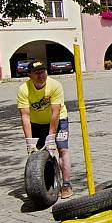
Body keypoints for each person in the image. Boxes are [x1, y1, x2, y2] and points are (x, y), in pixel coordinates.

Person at [16, 60, 73, 199]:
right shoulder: (24, 89)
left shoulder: (54, 85)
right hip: (36, 123)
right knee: (39, 153)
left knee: (62, 149)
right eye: (37, 73)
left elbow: (56, 113)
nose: (41, 75)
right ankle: (45, 185)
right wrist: (29, 142)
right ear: (29, 75)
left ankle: (66, 184)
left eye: (43, 71)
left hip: (59, 120)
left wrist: (51, 138)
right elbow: (25, 116)